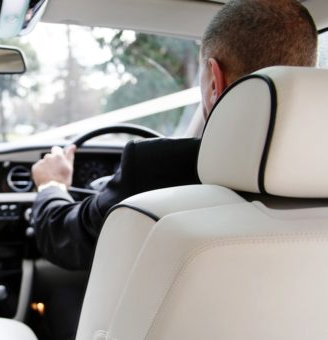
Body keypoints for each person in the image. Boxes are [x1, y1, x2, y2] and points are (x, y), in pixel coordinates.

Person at [32, 1, 318, 339]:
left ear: (215, 80)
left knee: (57, 299)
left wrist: (51, 186)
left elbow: (67, 241)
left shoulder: (155, 167)